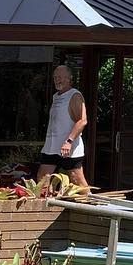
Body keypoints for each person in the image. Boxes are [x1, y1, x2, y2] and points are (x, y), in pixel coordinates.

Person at [37, 64, 89, 193]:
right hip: (52, 147)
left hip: (68, 148)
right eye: (55, 77)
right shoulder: (56, 96)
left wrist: (69, 141)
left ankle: (92, 203)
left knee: (76, 180)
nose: (57, 80)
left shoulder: (75, 95)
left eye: (60, 77)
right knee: (42, 179)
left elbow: (82, 121)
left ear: (69, 78)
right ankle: (44, 207)